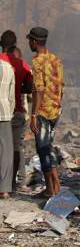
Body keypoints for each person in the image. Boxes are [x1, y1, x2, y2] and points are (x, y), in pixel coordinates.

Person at [27, 27, 64, 198]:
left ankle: (50, 190)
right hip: (55, 110)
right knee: (48, 147)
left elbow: (38, 89)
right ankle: (56, 187)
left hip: (42, 111)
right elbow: (61, 86)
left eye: (29, 41)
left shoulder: (37, 61)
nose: (29, 43)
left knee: (43, 149)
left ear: (34, 41)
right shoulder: (55, 59)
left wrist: (33, 115)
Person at [0, 31, 32, 192]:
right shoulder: (21, 64)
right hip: (15, 110)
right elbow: (29, 87)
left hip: (3, 111)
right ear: (15, 44)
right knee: (14, 147)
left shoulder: (2, 62)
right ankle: (15, 183)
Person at [0, 57, 15, 198]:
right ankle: (4, 189)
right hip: (4, 112)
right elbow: (11, 96)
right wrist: (9, 112)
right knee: (6, 151)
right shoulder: (7, 67)